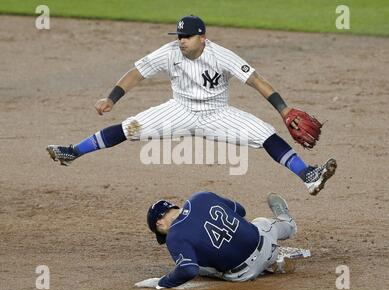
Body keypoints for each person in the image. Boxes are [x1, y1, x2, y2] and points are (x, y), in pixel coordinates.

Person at [46, 15, 336, 195]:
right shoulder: (169, 52)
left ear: (202, 38)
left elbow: (256, 80)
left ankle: (308, 175)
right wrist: (111, 98)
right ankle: (73, 152)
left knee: (265, 134)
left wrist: (284, 109)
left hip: (217, 114)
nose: (181, 41)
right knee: (129, 127)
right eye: (179, 36)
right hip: (178, 110)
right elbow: (137, 73)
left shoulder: (222, 55)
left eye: (187, 36)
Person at [135, 191, 297, 289]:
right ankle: (287, 222)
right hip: (266, 245)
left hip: (243, 275)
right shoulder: (201, 197)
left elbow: (188, 270)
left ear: (159, 223)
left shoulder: (174, 237)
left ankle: (270, 265)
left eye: (160, 232)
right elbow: (240, 210)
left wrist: (162, 282)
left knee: (198, 265)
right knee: (262, 222)